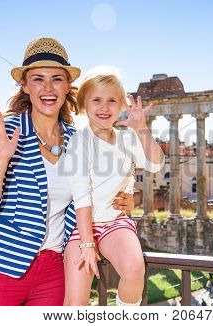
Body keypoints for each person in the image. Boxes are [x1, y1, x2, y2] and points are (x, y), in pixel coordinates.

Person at [0, 38, 133, 306]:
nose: (48, 88)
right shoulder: (4, 132)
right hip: (0, 267)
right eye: (38, 79)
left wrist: (127, 201)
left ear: (68, 87)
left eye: (57, 79)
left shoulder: (79, 139)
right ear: (25, 85)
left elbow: (95, 196)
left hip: (56, 271)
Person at [63, 69, 165, 306]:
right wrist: (88, 244)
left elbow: (155, 164)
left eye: (112, 100)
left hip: (115, 222)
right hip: (81, 226)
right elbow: (81, 195)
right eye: (96, 100)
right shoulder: (80, 141)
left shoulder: (128, 138)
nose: (104, 107)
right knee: (75, 301)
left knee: (134, 269)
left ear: (121, 105)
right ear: (83, 105)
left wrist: (141, 128)